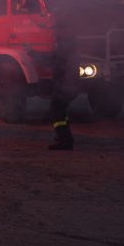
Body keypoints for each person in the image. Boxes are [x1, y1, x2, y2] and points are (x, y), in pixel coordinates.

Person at [47, 20, 79, 150]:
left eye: (56, 30)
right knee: (60, 111)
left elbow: (51, 60)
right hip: (68, 83)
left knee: (56, 110)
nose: (54, 32)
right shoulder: (69, 43)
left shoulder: (64, 45)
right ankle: (66, 138)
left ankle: (65, 141)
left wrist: (32, 53)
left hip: (65, 84)